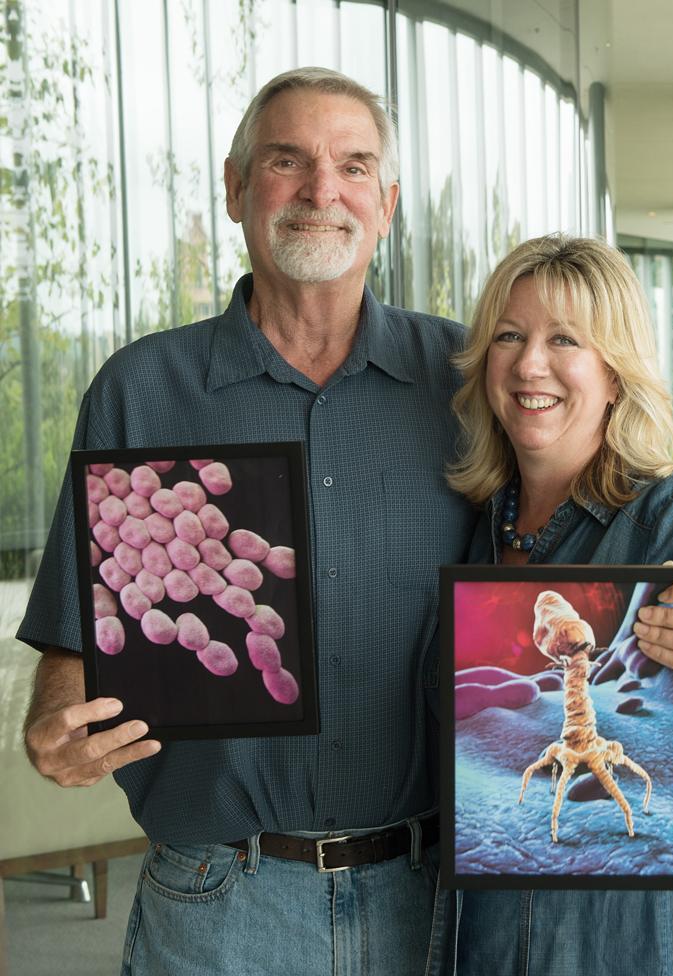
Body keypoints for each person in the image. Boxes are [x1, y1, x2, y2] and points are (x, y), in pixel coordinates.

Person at [17, 67, 477, 976]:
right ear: (235, 190)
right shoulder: (141, 390)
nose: (321, 190)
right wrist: (58, 725)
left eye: (353, 166)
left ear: (385, 204)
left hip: (435, 901)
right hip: (216, 907)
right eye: (287, 161)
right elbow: (78, 641)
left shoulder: (466, 383)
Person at [442, 234, 673, 975]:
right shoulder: (473, 522)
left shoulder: (671, 512)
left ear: (614, 375)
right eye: (509, 336)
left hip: (643, 929)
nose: (529, 362)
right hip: (488, 928)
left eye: (564, 339)